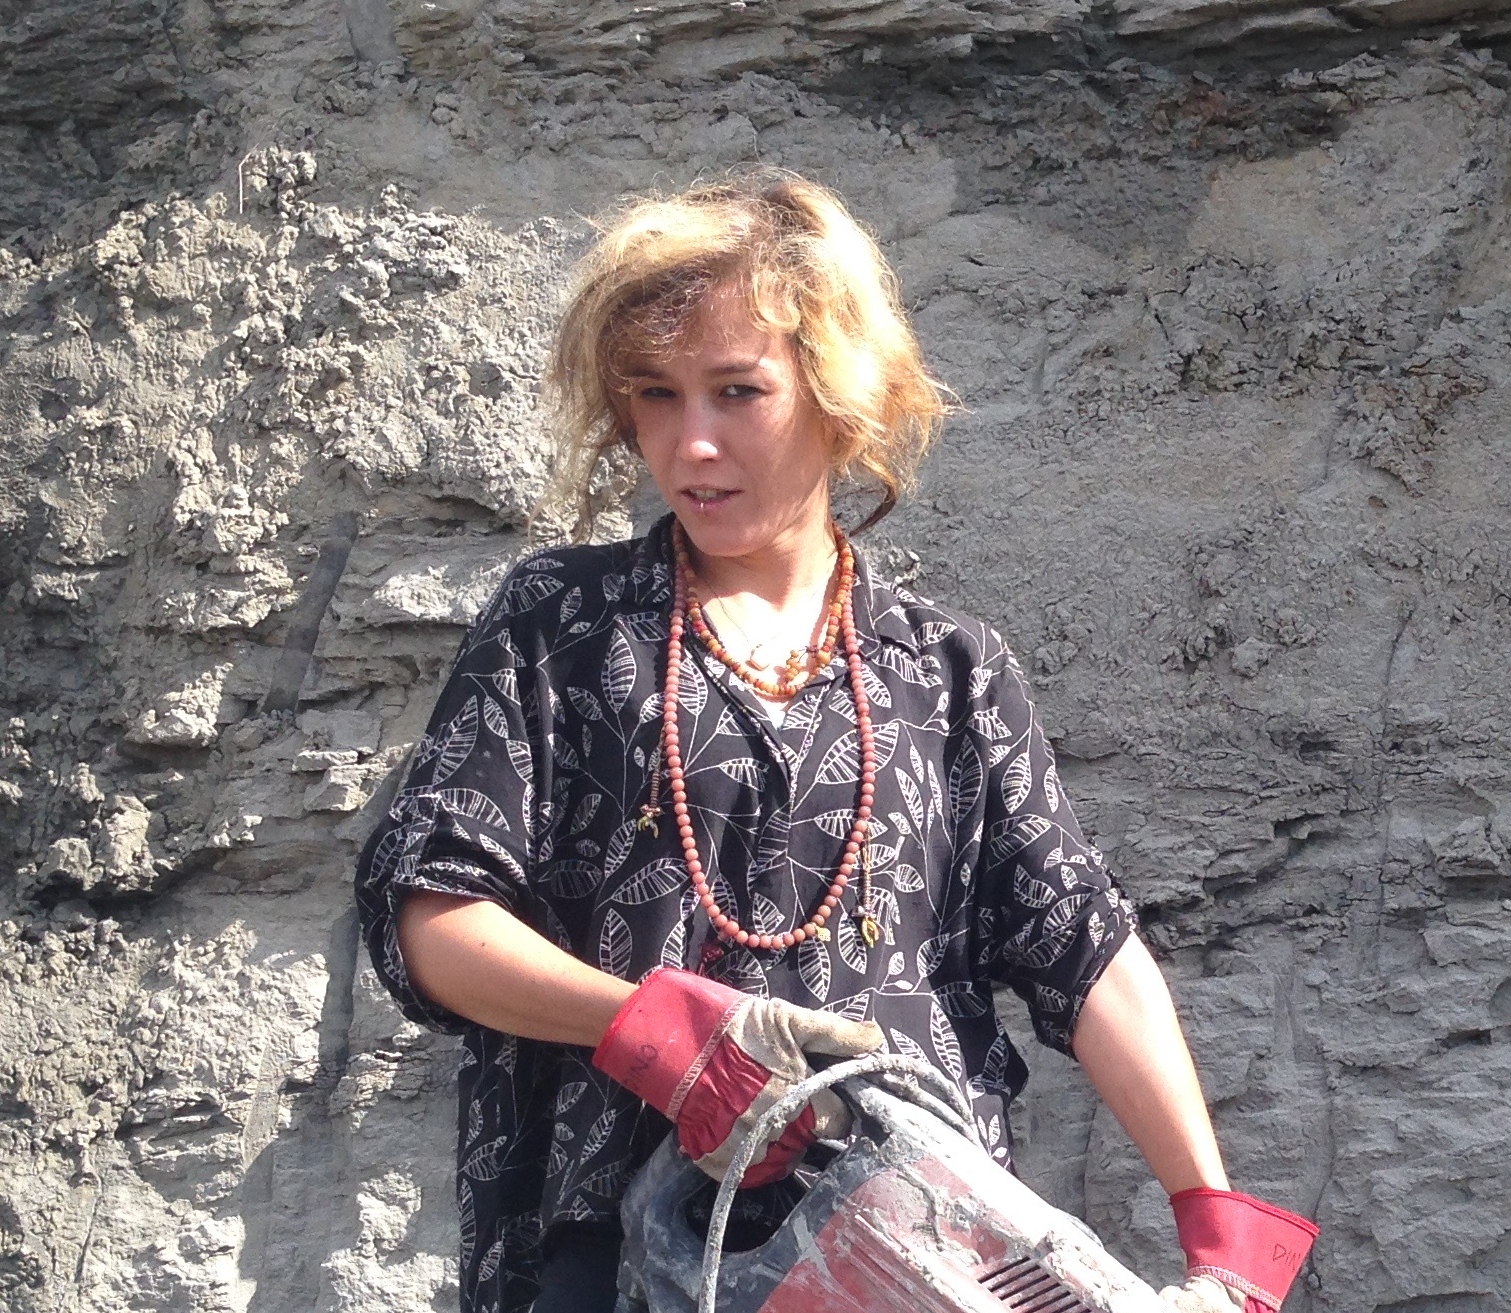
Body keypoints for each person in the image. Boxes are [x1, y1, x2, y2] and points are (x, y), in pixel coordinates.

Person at [353, 171, 1316, 1313]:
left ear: (837, 394)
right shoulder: (564, 622)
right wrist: (651, 1029)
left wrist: (1215, 1222)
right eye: (655, 396)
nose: (691, 443)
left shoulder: (945, 673)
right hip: (610, 1253)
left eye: (737, 391)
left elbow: (1082, 944)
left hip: (903, 1255)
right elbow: (429, 918)